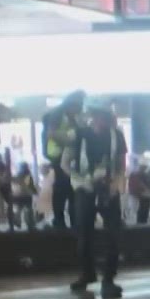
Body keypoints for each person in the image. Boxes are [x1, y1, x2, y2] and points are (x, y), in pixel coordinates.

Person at [65, 105, 127, 299]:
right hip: (84, 189)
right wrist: (81, 180)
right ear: (93, 116)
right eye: (102, 117)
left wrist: (115, 184)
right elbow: (65, 163)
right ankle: (87, 273)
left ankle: (108, 279)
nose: (105, 121)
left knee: (113, 234)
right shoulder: (78, 135)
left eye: (108, 117)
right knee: (84, 233)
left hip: (109, 189)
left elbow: (121, 164)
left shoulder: (117, 136)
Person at [42, 90, 86, 230]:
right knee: (62, 187)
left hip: (70, 156)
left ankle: (73, 220)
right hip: (58, 154)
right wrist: (68, 141)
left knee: (72, 188)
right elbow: (51, 134)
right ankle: (59, 220)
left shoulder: (74, 116)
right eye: (79, 104)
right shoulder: (58, 114)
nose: (80, 108)